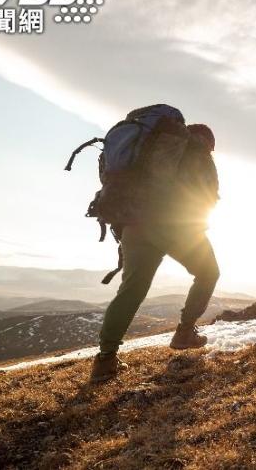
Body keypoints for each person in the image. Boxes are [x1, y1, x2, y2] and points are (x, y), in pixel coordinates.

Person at [90, 124, 221, 383]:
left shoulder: (147, 150)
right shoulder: (197, 151)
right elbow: (207, 196)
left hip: (133, 225)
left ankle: (105, 359)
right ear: (207, 141)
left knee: (131, 290)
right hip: (176, 226)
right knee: (208, 273)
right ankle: (184, 333)